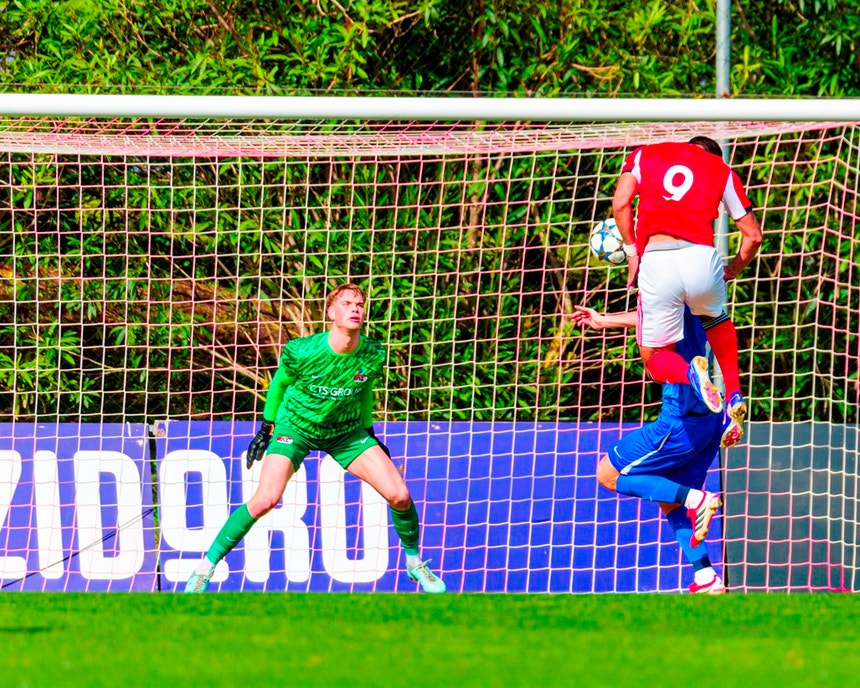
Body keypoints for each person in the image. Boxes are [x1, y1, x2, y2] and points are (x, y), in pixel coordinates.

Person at [185, 283, 446, 593]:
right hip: (295, 427)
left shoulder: (373, 354)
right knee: (266, 499)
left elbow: (363, 394)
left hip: (346, 433)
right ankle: (206, 568)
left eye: (360, 304)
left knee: (399, 495)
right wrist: (266, 428)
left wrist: (371, 435)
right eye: (347, 303)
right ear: (331, 312)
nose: (355, 309)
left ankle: (415, 564)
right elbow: (279, 386)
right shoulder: (303, 350)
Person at [612, 135, 763, 449]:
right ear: (712, 154)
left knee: (655, 358)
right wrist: (732, 269)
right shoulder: (722, 171)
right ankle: (733, 390)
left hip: (657, 259)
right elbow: (753, 237)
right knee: (716, 318)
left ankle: (690, 374)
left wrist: (631, 252)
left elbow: (621, 203)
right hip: (701, 258)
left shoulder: (644, 154)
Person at [572, 303, 727, 594]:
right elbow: (647, 314)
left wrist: (606, 320)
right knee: (669, 499)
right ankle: (706, 575)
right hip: (710, 420)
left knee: (607, 474)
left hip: (679, 422)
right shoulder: (696, 296)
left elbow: (649, 317)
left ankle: (698, 498)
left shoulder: (662, 287)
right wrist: (605, 320)